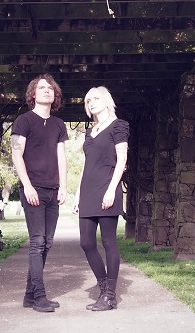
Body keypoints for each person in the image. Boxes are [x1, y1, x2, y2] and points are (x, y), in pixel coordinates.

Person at [11, 74, 68, 313]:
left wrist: (64, 186)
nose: (47, 90)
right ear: (33, 94)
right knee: (37, 242)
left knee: (47, 243)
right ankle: (40, 297)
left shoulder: (59, 124)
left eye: (50, 88)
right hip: (32, 189)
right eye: (41, 87)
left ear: (55, 95)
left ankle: (29, 296)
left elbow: (61, 157)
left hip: (52, 191)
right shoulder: (23, 121)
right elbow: (16, 154)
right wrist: (27, 186)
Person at [72, 86, 129, 311]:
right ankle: (104, 288)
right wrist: (77, 195)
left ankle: (109, 296)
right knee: (86, 242)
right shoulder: (90, 132)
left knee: (108, 242)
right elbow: (86, 165)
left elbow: (122, 159)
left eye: (96, 98)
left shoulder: (118, 126)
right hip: (88, 191)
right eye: (88, 100)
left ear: (106, 101)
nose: (92, 103)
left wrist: (111, 190)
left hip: (107, 189)